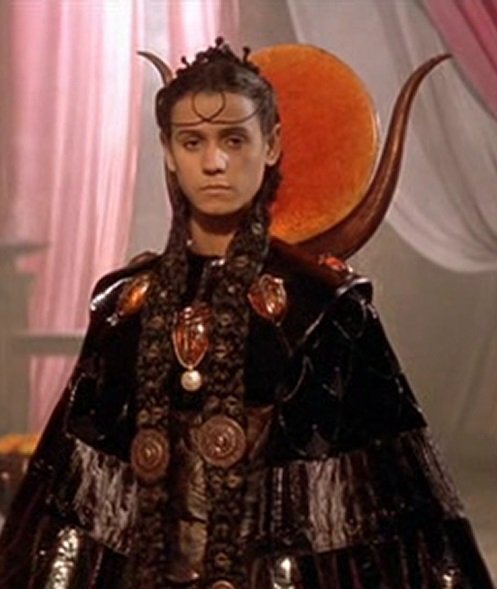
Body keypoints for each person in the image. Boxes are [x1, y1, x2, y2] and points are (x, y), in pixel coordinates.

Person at [0, 38, 493, 589]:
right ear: (168, 151)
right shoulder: (123, 308)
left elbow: (385, 509)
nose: (214, 163)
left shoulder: (322, 310)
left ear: (272, 145)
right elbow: (77, 503)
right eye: (193, 142)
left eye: (234, 140)